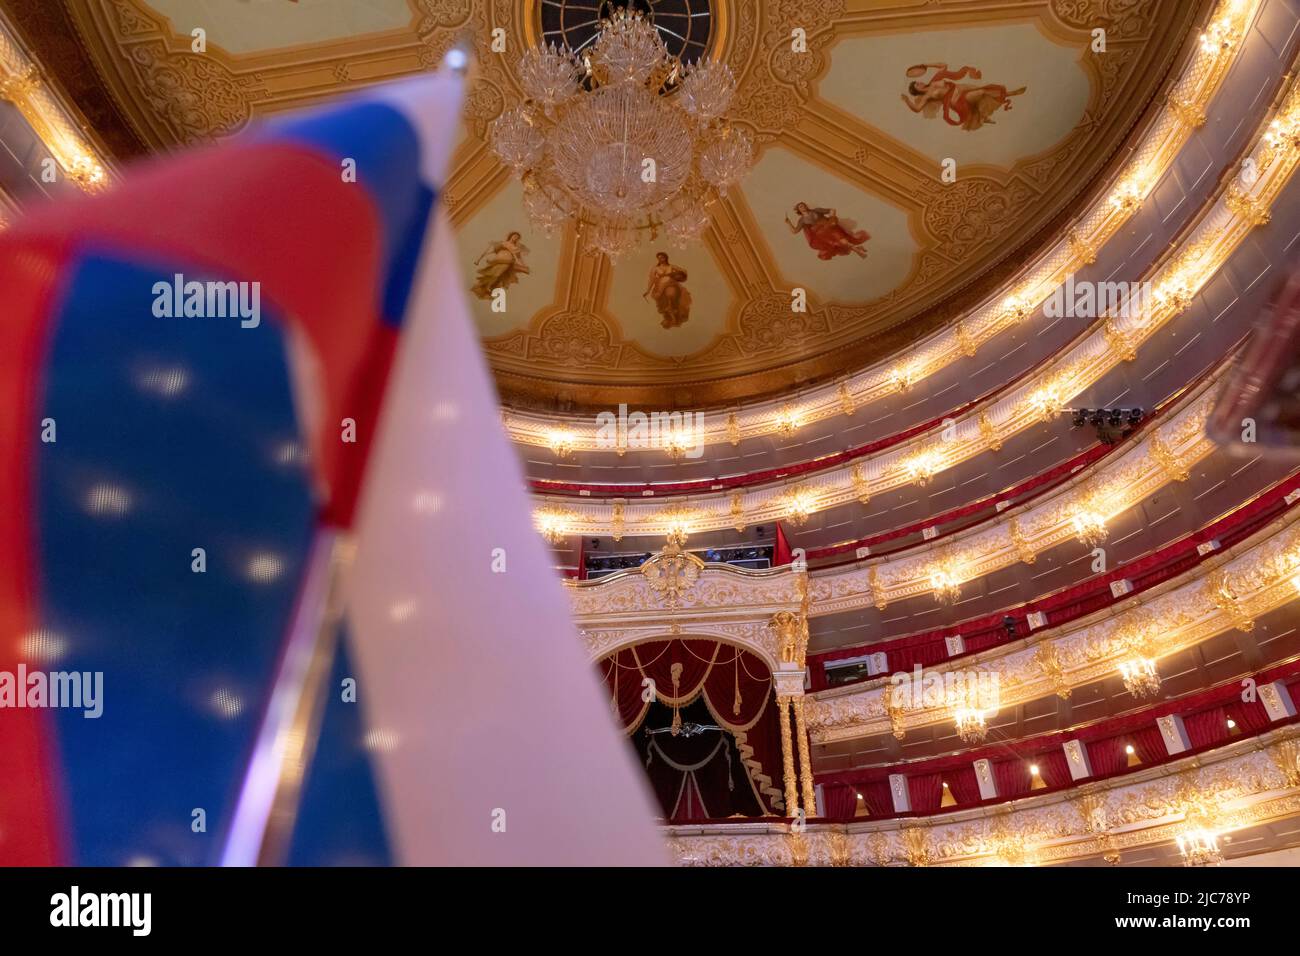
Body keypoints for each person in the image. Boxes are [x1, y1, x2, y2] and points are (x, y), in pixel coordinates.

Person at [901, 63, 1025, 131]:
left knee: (985, 91)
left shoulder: (934, 81)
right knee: (981, 92)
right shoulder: (927, 96)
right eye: (917, 84)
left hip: (961, 88)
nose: (920, 82)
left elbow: (943, 66)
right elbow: (917, 109)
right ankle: (1010, 94)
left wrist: (926, 65)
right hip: (958, 100)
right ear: (917, 90)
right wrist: (907, 100)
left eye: (918, 81)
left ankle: (1007, 95)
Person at [785, 202, 869, 260]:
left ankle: (858, 250)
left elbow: (832, 210)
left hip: (829, 228)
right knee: (840, 243)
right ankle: (858, 250)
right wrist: (788, 223)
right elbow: (795, 231)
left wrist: (832, 219)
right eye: (800, 206)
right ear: (798, 210)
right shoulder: (802, 220)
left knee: (843, 241)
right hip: (821, 234)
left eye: (803, 205)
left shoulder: (816, 210)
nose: (803, 207)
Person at [471, 231, 530, 300]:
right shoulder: (503, 243)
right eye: (514, 236)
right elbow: (493, 250)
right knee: (491, 273)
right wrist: (484, 255)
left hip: (507, 261)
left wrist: (523, 266)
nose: (515, 237)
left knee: (497, 274)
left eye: (517, 237)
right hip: (497, 260)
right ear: (511, 236)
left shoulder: (515, 248)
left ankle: (489, 287)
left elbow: (518, 258)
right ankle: (485, 286)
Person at [643, 251, 692, 328]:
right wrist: (648, 291)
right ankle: (670, 318)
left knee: (671, 297)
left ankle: (675, 316)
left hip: (671, 285)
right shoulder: (655, 268)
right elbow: (651, 280)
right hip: (660, 288)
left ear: (666, 258)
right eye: (659, 258)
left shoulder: (671, 266)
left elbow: (684, 271)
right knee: (665, 304)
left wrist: (675, 275)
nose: (660, 259)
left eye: (662, 257)